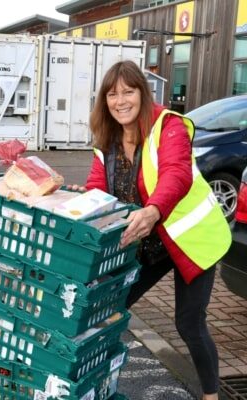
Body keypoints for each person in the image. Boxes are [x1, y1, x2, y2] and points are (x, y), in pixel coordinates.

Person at [84, 60, 231, 400]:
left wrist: (152, 210)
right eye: (112, 94)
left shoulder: (169, 126)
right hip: (146, 244)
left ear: (143, 94)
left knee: (189, 323)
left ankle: (211, 396)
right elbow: (96, 191)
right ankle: (95, 383)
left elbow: (175, 174)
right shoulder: (107, 141)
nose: (120, 100)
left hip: (192, 240)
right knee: (109, 308)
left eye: (128, 91)